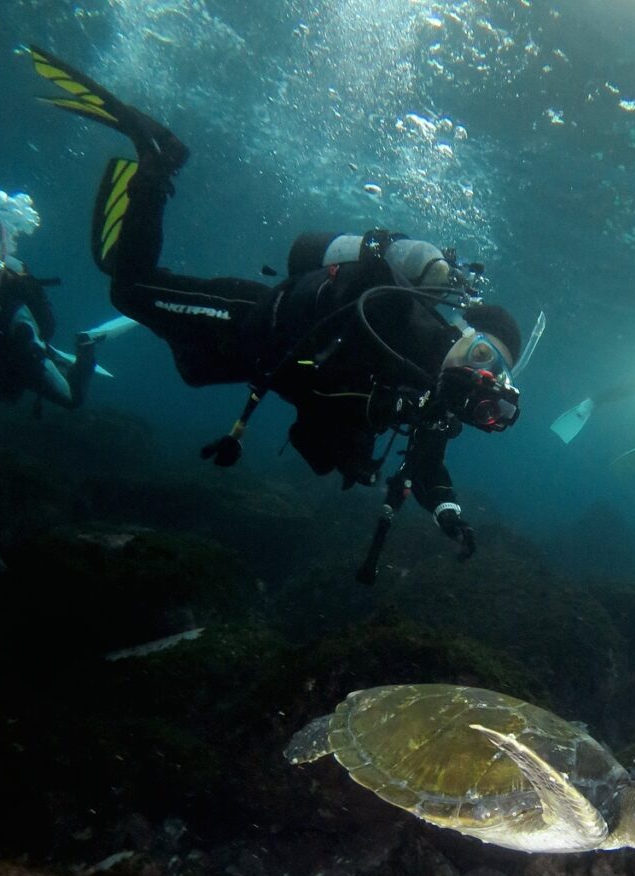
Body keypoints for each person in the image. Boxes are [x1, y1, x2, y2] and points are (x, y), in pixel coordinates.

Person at [26, 46, 529, 566]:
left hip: (256, 360)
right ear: (462, 329)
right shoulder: (404, 315)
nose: (480, 373)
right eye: (483, 353)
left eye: (494, 371)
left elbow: (427, 467)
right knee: (130, 291)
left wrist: (449, 513)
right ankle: (158, 161)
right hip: (249, 316)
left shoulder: (435, 399)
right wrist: (409, 260)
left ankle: (144, 201)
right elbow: (359, 279)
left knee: (191, 369)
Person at [0, 191, 98, 412]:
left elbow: (26, 338)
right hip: (14, 343)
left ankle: (85, 346)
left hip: (22, 344)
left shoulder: (19, 330)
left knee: (72, 398)